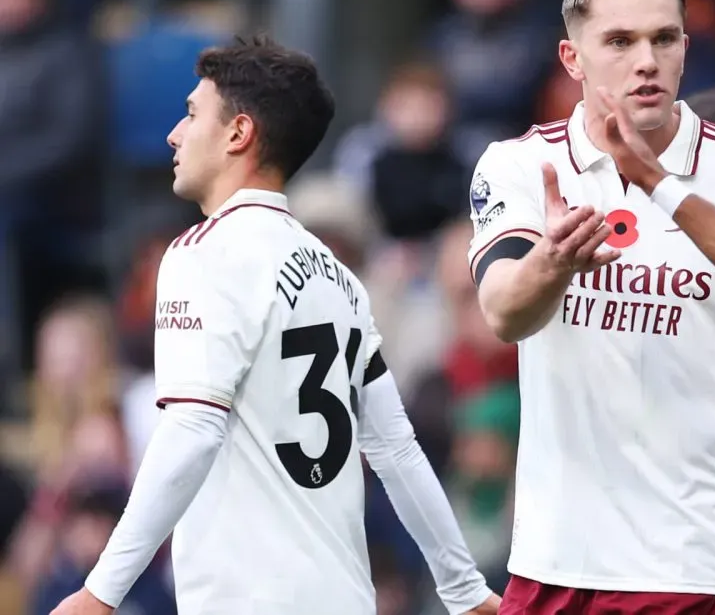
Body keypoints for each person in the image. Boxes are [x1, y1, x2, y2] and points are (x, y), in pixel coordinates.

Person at [50, 37, 500, 615]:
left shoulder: (201, 254)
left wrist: (100, 591)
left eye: (191, 115)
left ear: (238, 134)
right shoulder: (340, 278)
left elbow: (192, 429)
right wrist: (464, 590)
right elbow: (397, 450)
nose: (174, 134)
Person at [466, 0, 715, 614]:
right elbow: (503, 313)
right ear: (572, 58)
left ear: (687, 49)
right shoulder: (521, 166)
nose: (646, 61)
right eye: (620, 41)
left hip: (694, 563)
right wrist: (552, 262)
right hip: (554, 558)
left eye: (664, 39)